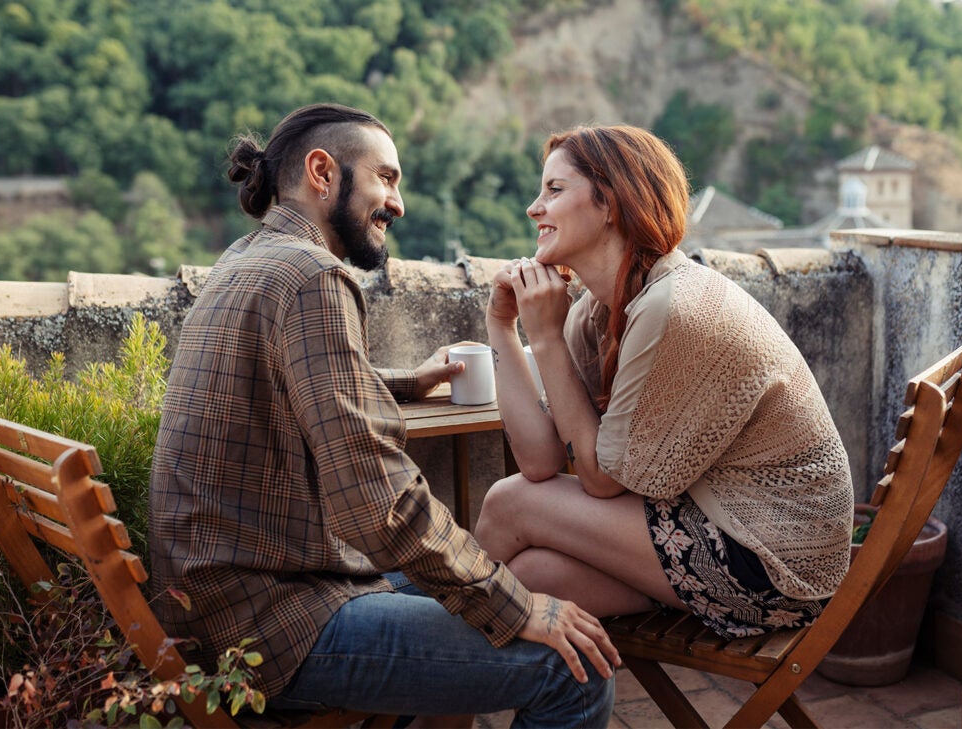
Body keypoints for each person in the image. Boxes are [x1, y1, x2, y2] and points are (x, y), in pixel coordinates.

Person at [147, 103, 618, 726]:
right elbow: (377, 505)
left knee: (479, 578)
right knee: (571, 670)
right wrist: (516, 610)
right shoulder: (312, 277)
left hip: (221, 607)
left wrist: (403, 382)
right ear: (322, 171)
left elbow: (292, 379)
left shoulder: (247, 259)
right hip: (276, 625)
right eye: (386, 178)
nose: (398, 203)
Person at [475, 125, 853, 640]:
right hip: (712, 533)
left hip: (777, 565)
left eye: (554, 190)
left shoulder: (672, 306)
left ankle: (421, 695)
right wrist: (501, 325)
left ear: (610, 202)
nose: (533, 208)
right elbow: (541, 461)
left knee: (507, 502)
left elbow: (600, 480)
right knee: (529, 581)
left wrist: (544, 340)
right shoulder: (598, 310)